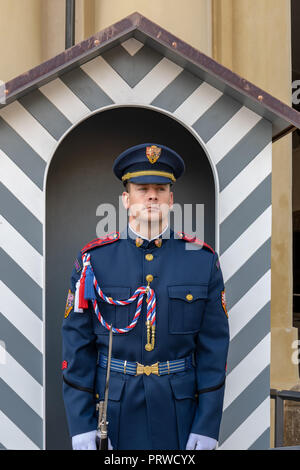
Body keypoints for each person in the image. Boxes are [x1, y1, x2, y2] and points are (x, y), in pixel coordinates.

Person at [62, 143, 230, 450]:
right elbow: (77, 348)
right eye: (142, 188)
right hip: (112, 409)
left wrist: (207, 425)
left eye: (160, 188)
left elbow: (213, 350)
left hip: (179, 411)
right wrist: (81, 424)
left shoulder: (202, 260)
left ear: (171, 199)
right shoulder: (93, 261)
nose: (152, 195)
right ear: (126, 199)